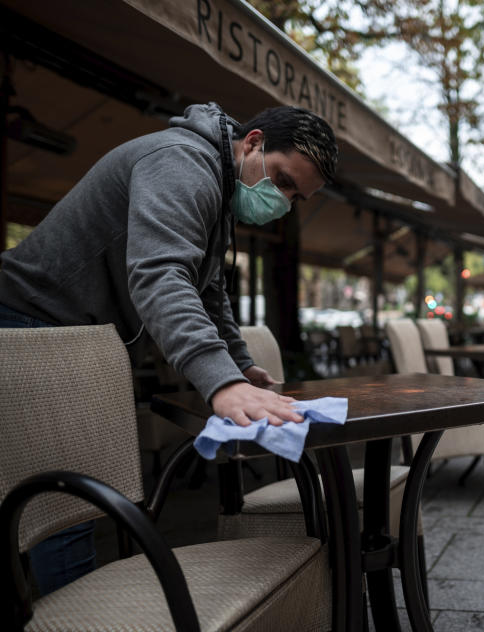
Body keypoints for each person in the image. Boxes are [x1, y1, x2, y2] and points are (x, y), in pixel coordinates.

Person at [0, 102, 338, 594]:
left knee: (65, 496)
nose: (284, 201)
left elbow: (207, 288)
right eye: (284, 181)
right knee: (63, 500)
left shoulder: (217, 185)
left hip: (73, 332)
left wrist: (240, 366)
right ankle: (71, 623)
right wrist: (221, 382)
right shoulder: (181, 162)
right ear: (254, 142)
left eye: (297, 196)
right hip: (31, 322)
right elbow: (161, 275)